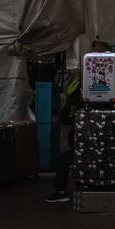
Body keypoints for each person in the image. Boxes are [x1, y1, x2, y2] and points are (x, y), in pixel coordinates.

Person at [44, 74, 81, 204]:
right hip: (79, 141)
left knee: (62, 159)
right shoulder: (78, 83)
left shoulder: (78, 84)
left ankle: (61, 192)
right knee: (63, 159)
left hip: (82, 146)